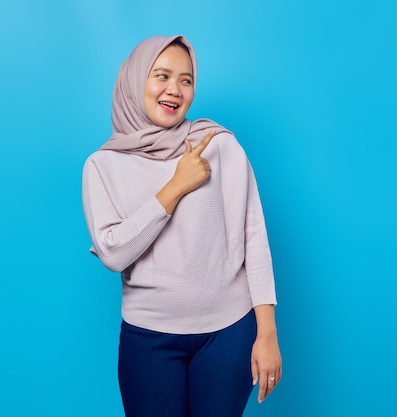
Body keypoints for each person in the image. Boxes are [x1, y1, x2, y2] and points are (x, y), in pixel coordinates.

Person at [82, 35, 281, 417]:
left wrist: (267, 333)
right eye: (162, 76)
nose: (174, 90)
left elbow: (253, 236)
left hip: (229, 333)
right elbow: (113, 253)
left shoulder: (219, 145)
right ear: (135, 80)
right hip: (148, 337)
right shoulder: (102, 166)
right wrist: (175, 186)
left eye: (186, 80)